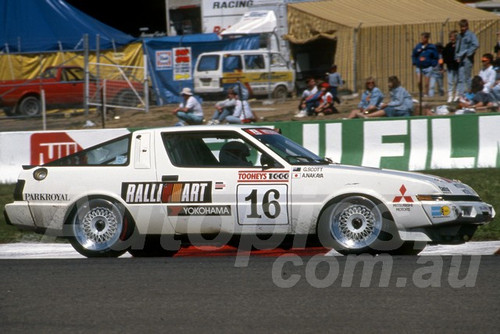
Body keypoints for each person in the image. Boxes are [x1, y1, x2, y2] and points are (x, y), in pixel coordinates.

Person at [455, 19, 479, 98]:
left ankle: (469, 94)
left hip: (467, 59)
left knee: (467, 77)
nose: (463, 28)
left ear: (467, 26)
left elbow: (476, 44)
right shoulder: (459, 35)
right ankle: (461, 95)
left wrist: (468, 54)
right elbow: (458, 47)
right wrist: (457, 56)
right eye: (461, 27)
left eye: (464, 26)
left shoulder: (471, 35)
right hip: (460, 59)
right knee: (460, 77)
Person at [412, 32, 439, 97]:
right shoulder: (418, 46)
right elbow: (414, 55)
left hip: (428, 67)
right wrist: (414, 62)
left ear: (427, 38)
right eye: (422, 37)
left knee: (427, 83)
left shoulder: (431, 47)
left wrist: (433, 64)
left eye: (424, 37)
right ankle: (421, 92)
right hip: (419, 66)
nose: (422, 39)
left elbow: (435, 57)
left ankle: (426, 94)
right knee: (419, 81)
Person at [443, 30, 460, 102]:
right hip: (450, 66)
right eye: (450, 37)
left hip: (457, 66)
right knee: (450, 81)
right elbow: (444, 55)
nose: (451, 38)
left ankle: (457, 95)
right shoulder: (448, 46)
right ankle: (450, 95)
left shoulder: (459, 45)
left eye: (452, 37)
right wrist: (445, 63)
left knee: (457, 81)